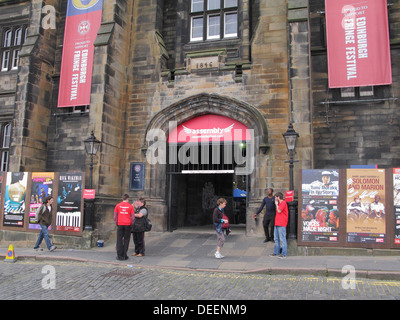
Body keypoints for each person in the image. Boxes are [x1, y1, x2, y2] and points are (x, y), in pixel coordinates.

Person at [114, 194, 135, 261]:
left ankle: (119, 255)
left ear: (122, 198)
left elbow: (115, 216)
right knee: (126, 239)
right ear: (127, 198)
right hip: (127, 224)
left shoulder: (118, 205)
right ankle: (124, 255)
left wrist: (117, 222)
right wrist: (131, 224)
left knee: (119, 239)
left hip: (120, 223)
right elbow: (133, 217)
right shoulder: (130, 206)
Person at [270, 192, 288, 259]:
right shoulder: (280, 203)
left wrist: (277, 204)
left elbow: (279, 211)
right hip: (277, 223)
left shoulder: (283, 203)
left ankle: (284, 253)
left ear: (278, 197)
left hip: (282, 223)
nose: (275, 199)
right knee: (276, 239)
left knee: (282, 238)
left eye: (275, 197)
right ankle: (276, 252)